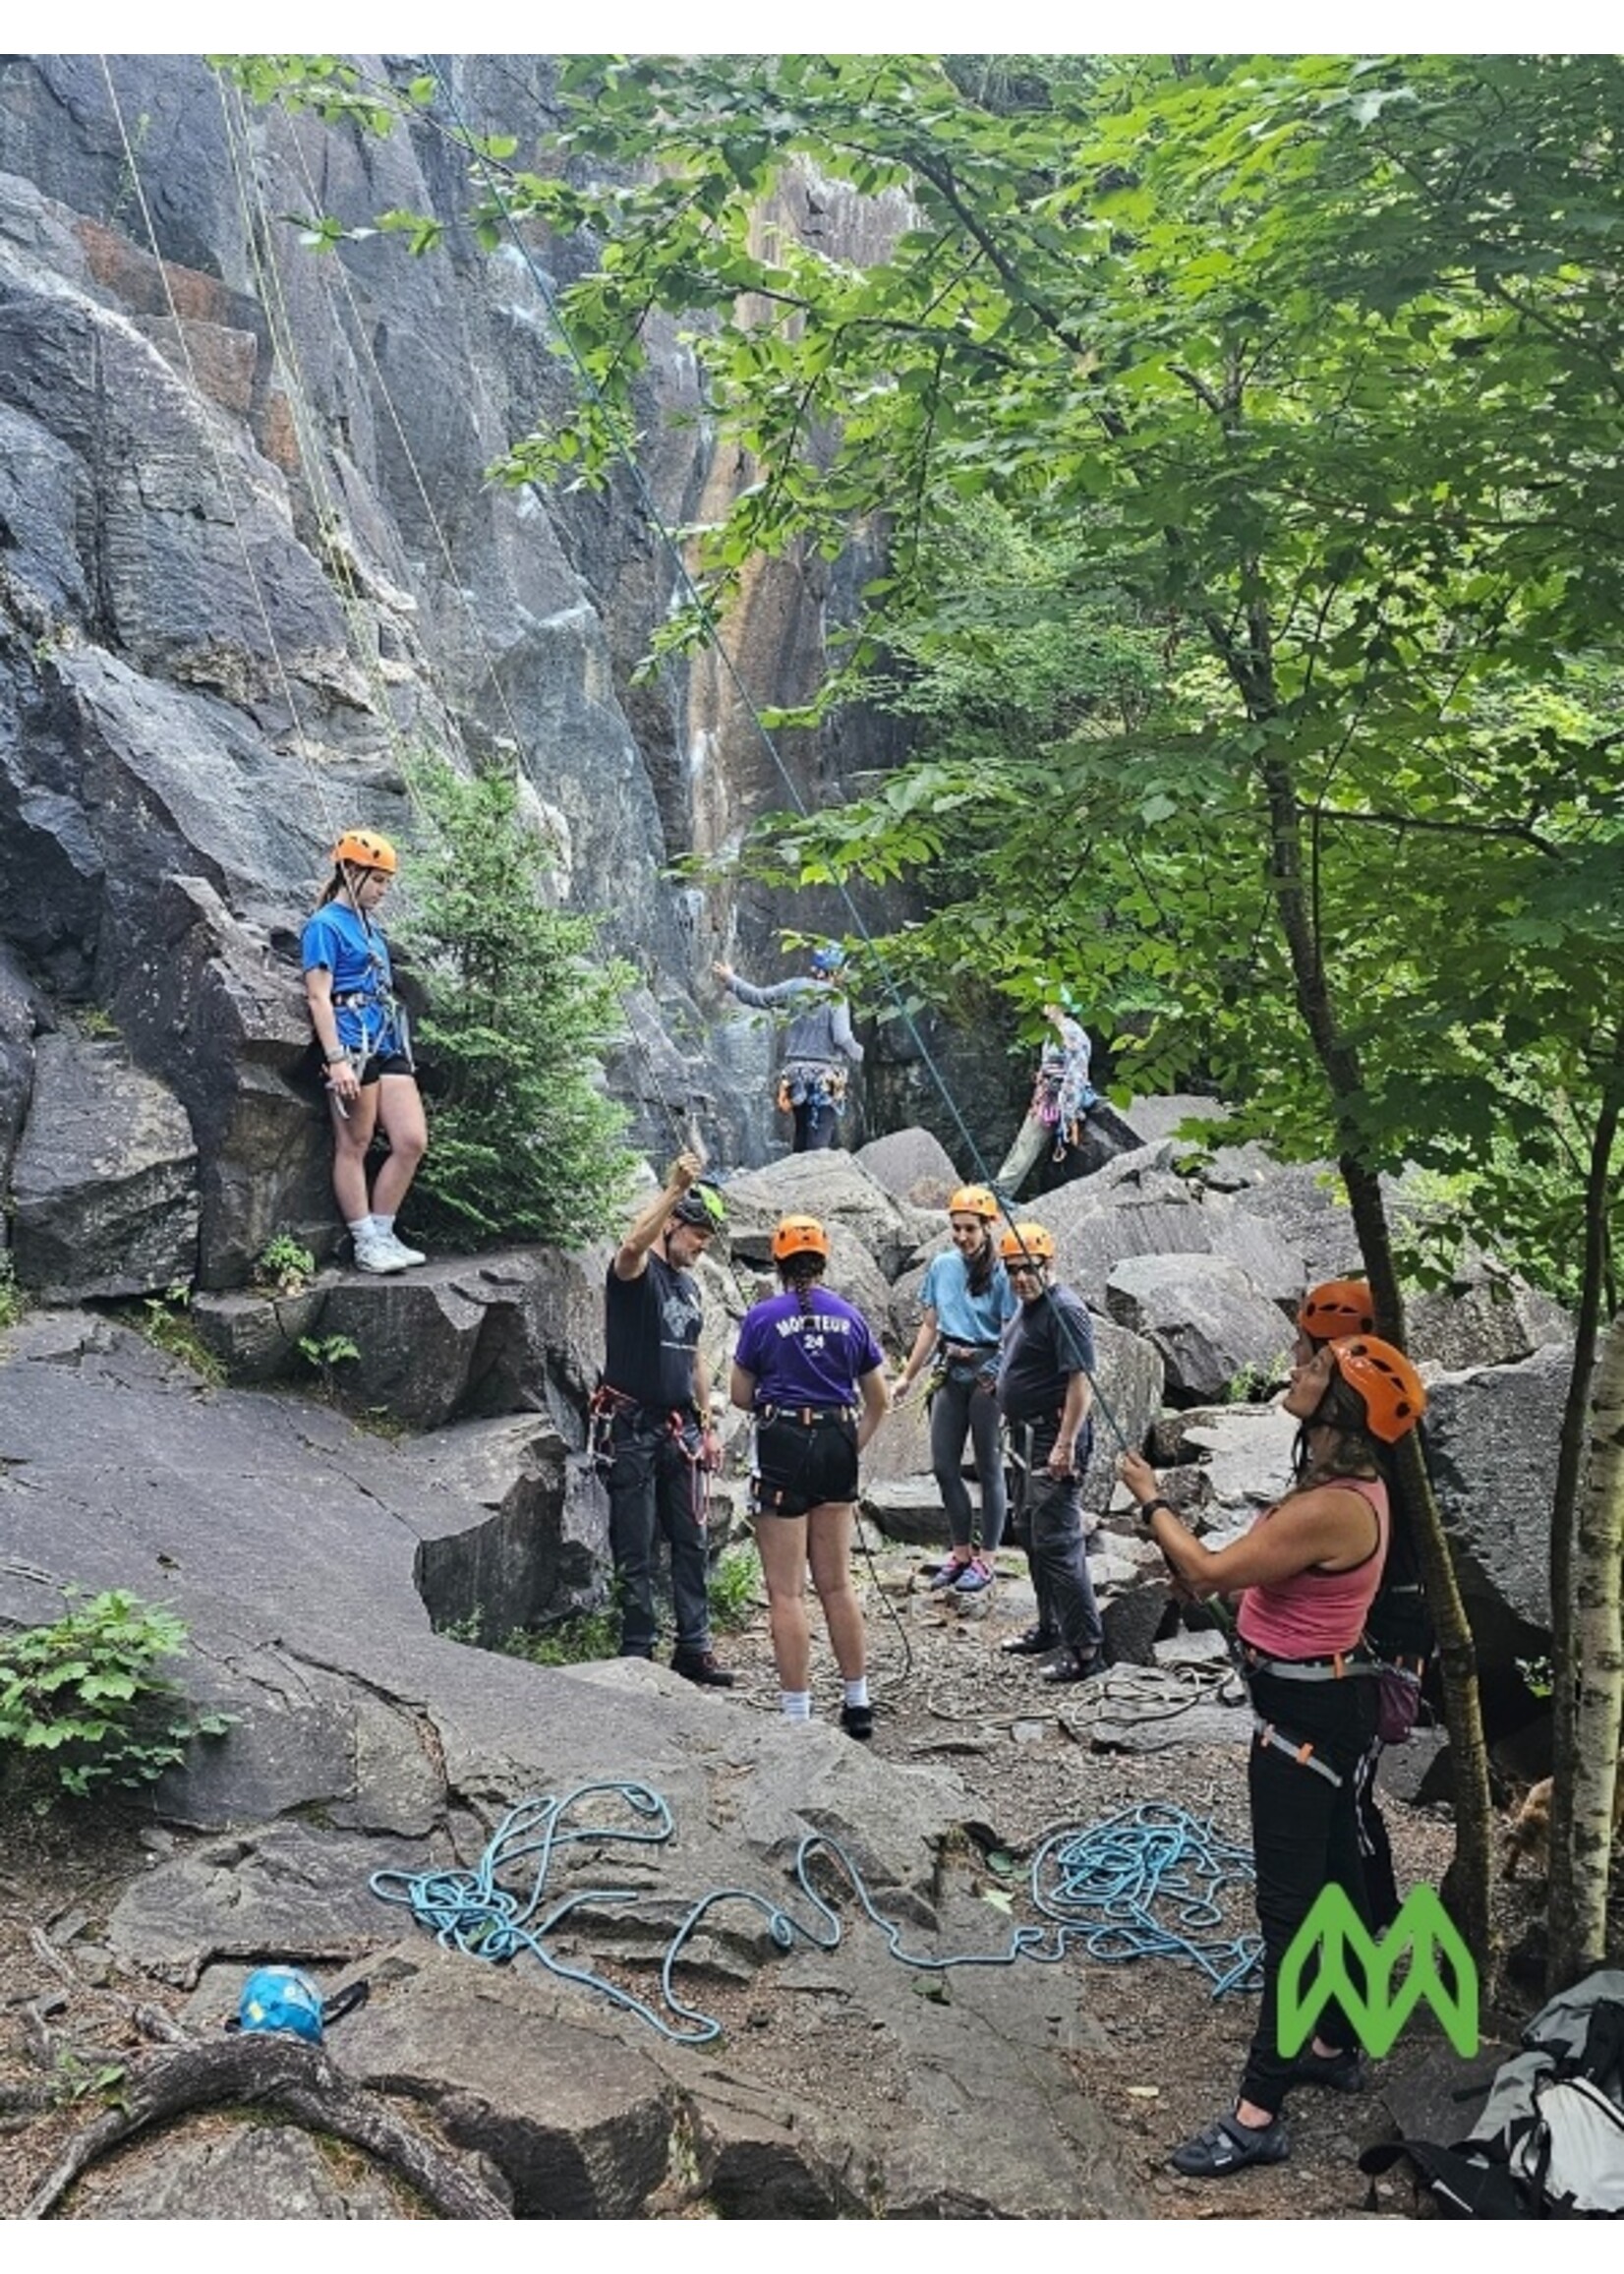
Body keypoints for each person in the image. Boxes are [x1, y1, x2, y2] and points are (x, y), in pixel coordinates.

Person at [1119, 1331, 1427, 2181]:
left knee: (1290, 1916)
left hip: (1306, 1725)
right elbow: (1255, 1575)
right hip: (1316, 1708)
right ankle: (1331, 2039)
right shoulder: (1337, 1487)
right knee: (1333, 1886)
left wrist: (1152, 1501)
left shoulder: (1338, 1502)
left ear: (1340, 1409)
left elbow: (1210, 1567)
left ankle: (1258, 2113)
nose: (1297, 1371)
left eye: (1315, 1370)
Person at [1293, 1279, 1430, 1931]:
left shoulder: (1370, 1454)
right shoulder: (1364, 1437)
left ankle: (1372, 1916)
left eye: (1309, 1351)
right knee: (1341, 1787)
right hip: (1369, 1639)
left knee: (1347, 1791)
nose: (1295, 1360)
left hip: (1376, 1646)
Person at [730, 1216, 891, 1733]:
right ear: (823, 1262)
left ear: (778, 1264)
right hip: (836, 1442)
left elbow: (738, 1395)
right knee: (837, 1584)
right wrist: (849, 1445)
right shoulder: (850, 1317)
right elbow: (879, 1399)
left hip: (783, 1443)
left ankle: (797, 1715)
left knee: (787, 1592)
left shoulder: (761, 1318)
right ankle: (857, 1701)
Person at [597, 1150, 733, 1687]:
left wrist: (708, 1425)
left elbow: (694, 1355)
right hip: (632, 1427)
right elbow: (632, 1244)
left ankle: (693, 1648)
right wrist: (675, 1190)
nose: (703, 1246)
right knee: (636, 1543)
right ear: (674, 1224)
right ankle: (637, 1649)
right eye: (698, 1233)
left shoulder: (688, 1285)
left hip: (682, 1429)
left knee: (691, 1541)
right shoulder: (634, 1275)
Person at [301, 829, 429, 1275]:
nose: (382, 892)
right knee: (353, 1142)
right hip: (351, 1042)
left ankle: (384, 1229)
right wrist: (335, 1058)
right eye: (377, 882)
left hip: (385, 1037)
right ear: (350, 872)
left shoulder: (371, 928)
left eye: (386, 884)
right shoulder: (324, 926)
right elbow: (319, 996)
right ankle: (364, 1241)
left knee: (411, 1139)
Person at [892, 1185, 1017, 1597]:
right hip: (950, 1370)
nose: (962, 1236)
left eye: (969, 1228)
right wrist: (908, 1375)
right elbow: (930, 1325)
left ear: (987, 1227)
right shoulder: (943, 1265)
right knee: (945, 1467)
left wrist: (998, 1371)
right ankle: (961, 1552)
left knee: (988, 1466)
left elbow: (1011, 1330)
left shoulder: (1002, 1274)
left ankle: (989, 1559)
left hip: (986, 1375)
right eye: (956, 1228)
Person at [993, 1223, 1105, 1683]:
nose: (1020, 1279)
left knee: (1058, 1540)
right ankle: (1049, 1626)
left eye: (1028, 1269)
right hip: (1024, 1435)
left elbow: (1081, 1384)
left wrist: (1064, 1444)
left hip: (1052, 1438)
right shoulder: (1029, 1307)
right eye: (1013, 1270)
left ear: (1048, 1264)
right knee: (1030, 1532)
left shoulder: (1066, 1311)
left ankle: (1085, 1649)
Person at [713, 942, 864, 1152]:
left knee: (802, 1132)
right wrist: (858, 1052)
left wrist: (730, 979)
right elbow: (841, 1037)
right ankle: (813, 1179)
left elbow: (759, 997)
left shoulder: (795, 988)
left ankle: (798, 1176)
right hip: (827, 1077)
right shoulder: (837, 998)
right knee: (819, 1136)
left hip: (796, 1074)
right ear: (836, 971)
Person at [994, 998, 1097, 1198]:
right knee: (1023, 1142)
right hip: (1045, 1095)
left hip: (1055, 1099)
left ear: (1061, 1006)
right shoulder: (1053, 1032)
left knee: (1029, 1143)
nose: (1045, 1008)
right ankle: (1002, 1186)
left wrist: (1067, 1112)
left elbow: (1076, 1075)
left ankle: (1003, 1191)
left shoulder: (1072, 1033)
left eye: (1050, 1003)